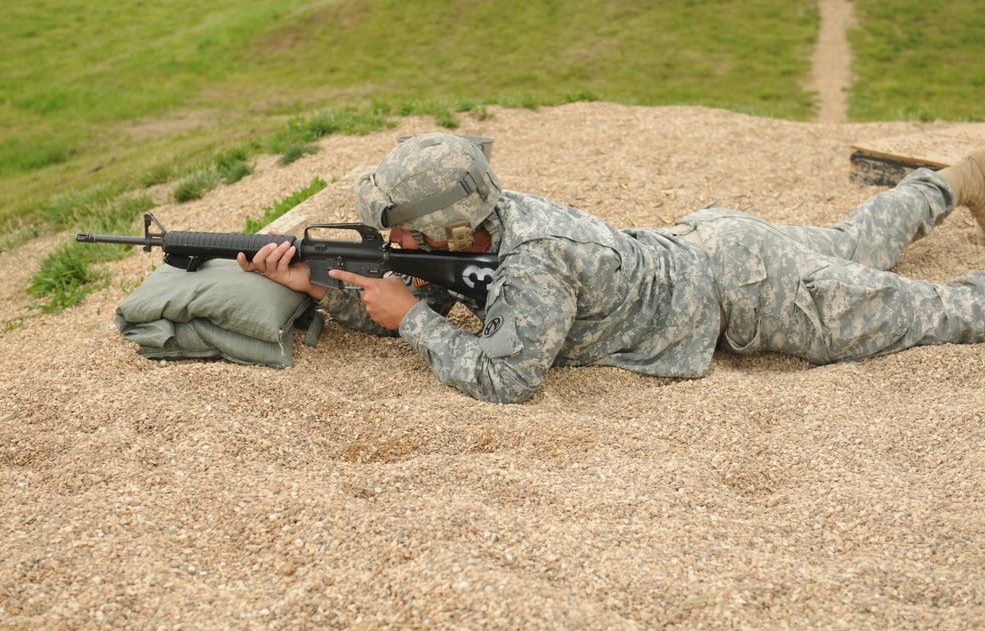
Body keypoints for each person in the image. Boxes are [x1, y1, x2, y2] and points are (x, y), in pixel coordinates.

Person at [238, 133, 985, 404]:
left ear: (447, 230)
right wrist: (315, 288)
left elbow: (505, 379)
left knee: (937, 314)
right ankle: (955, 180)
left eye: (395, 227)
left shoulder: (534, 262)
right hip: (717, 246)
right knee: (853, 242)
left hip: (756, 294)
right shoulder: (486, 220)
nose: (386, 238)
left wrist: (415, 321)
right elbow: (404, 294)